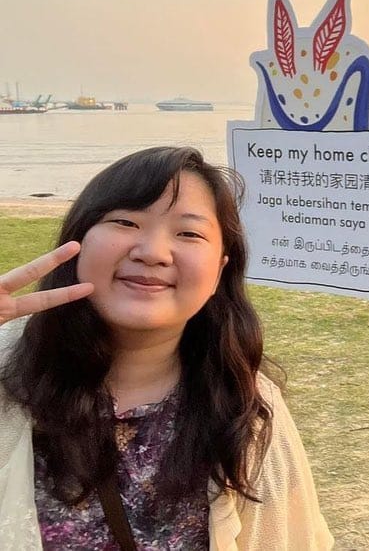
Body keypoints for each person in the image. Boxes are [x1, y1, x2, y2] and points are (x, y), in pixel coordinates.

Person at [0, 146, 333, 549]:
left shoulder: (243, 402)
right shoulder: (7, 371)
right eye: (124, 222)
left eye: (189, 233)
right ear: (78, 241)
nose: (153, 253)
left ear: (219, 270)